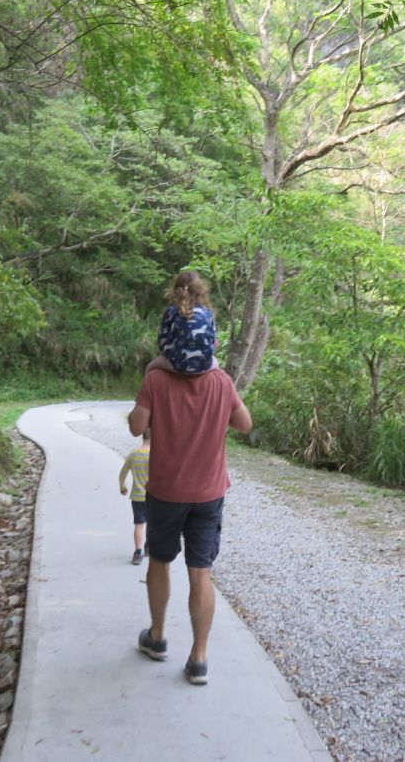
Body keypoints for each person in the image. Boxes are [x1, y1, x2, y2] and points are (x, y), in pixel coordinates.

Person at [127, 305, 252, 687]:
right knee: (202, 573)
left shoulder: (156, 380)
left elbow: (136, 427)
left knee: (160, 561)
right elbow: (245, 425)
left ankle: (159, 637)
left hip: (165, 492)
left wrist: (152, 375)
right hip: (209, 493)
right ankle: (198, 658)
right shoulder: (222, 381)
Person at [146, 270, 220, 374]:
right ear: (200, 291)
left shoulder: (171, 311)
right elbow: (215, 342)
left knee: (149, 368)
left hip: (175, 365)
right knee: (217, 365)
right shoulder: (207, 313)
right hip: (205, 366)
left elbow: (162, 341)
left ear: (175, 291)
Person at [119, 430, 151, 565]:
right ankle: (149, 547)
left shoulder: (133, 454)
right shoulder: (156, 455)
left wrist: (123, 486)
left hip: (137, 497)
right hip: (154, 497)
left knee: (139, 524)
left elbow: (123, 473)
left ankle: (138, 553)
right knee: (153, 523)